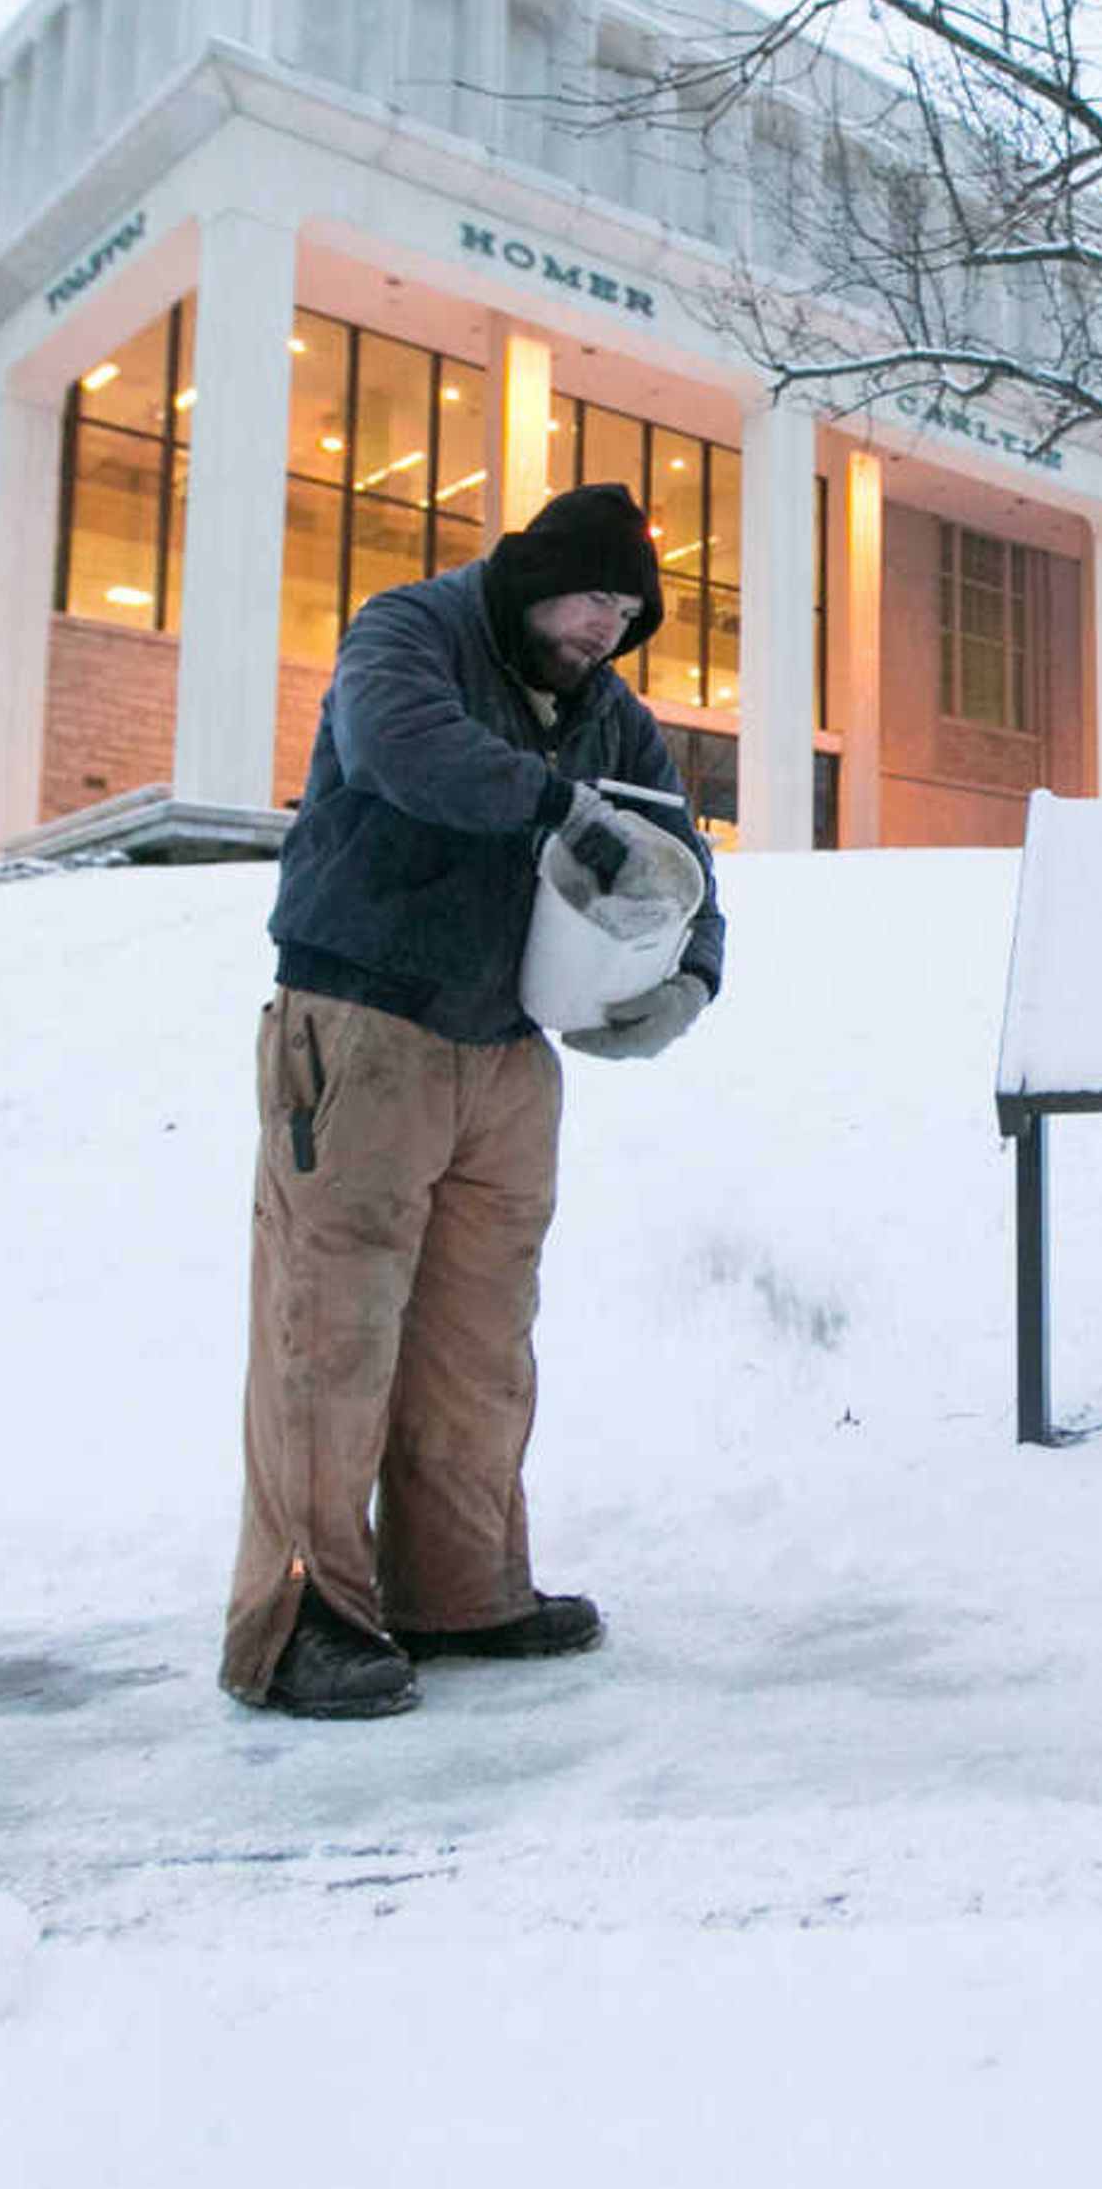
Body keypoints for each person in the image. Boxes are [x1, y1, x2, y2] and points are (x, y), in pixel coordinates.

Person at [220, 481, 726, 1720]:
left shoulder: (608, 713)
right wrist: (562, 806)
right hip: (363, 1020)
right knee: (329, 1330)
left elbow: (681, 852)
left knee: (478, 1343)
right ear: (531, 573)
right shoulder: (410, 631)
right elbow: (402, 749)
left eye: (626, 607)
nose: (607, 625)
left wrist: (694, 973)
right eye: (592, 593)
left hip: (506, 1049)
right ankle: (300, 1623)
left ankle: (459, 1589)